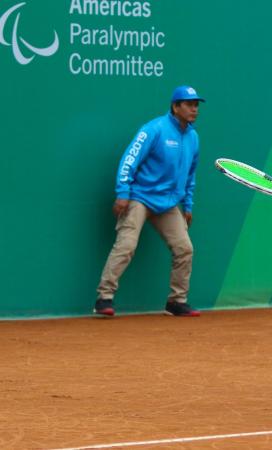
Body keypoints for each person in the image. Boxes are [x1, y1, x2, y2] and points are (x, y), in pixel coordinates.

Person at [94, 86, 203, 317]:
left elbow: (190, 175)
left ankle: (176, 301)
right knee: (126, 245)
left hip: (169, 203)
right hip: (140, 197)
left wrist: (188, 205)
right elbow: (128, 160)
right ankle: (104, 297)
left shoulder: (193, 138)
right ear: (175, 106)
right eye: (189, 104)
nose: (194, 109)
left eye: (196, 105)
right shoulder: (153, 129)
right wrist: (123, 193)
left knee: (185, 249)